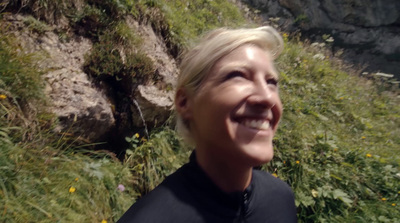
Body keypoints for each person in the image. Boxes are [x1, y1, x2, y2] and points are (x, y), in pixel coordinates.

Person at [118, 26, 297, 223]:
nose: (267, 98)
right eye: (237, 75)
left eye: (271, 82)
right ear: (185, 102)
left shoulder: (281, 198)